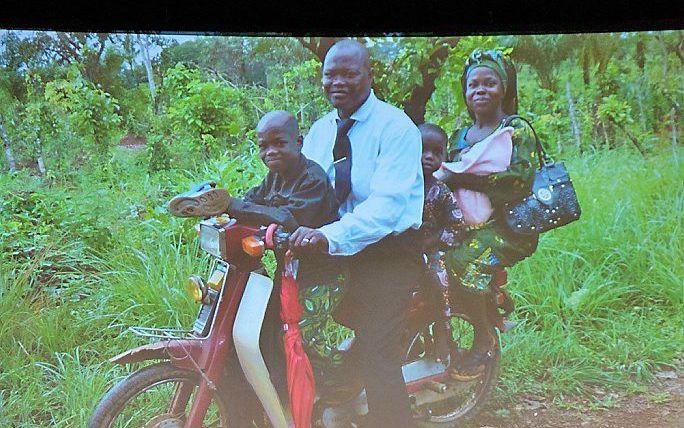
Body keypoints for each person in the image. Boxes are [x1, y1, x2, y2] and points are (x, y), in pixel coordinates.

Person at [169, 110, 342, 424]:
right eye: (264, 146)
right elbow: (256, 200)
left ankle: (334, 394)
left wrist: (232, 205)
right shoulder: (276, 176)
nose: (270, 152)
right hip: (290, 273)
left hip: (322, 276)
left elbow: (285, 218)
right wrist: (224, 211)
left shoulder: (312, 179)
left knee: (303, 340)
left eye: (279, 143)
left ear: (299, 143)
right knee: (264, 331)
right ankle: (277, 396)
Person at [289, 39, 424, 427]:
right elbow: (303, 188)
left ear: (370, 74)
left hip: (389, 251)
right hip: (336, 246)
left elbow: (386, 208)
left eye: (349, 73)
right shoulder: (318, 131)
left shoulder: (395, 127)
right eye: (330, 74)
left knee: (376, 351)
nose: (338, 82)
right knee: (287, 323)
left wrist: (328, 237)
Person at [434, 49, 539, 379]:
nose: (480, 90)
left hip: (510, 227)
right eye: (472, 85)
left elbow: (519, 182)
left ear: (504, 88)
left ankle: (484, 337)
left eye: (489, 83)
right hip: (465, 224)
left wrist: (461, 178)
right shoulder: (456, 137)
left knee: (459, 262)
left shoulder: (516, 129)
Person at [418, 123, 467, 363]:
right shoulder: (400, 186)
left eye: (436, 152)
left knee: (439, 281)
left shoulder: (441, 192)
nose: (429, 156)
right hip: (403, 251)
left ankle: (442, 330)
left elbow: (457, 222)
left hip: (432, 250)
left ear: (445, 156)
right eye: (422, 149)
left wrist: (435, 241)